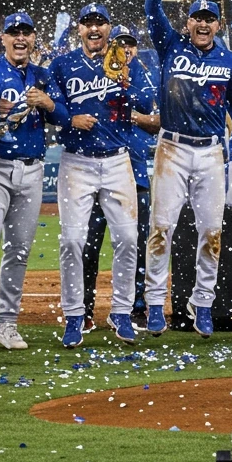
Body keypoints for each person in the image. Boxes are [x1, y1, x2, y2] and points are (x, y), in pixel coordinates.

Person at [143, 0, 232, 338]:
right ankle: (156, 303)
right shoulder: (170, 45)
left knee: (212, 233)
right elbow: (151, 8)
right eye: (197, 18)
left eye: (209, 18)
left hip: (210, 151)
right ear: (186, 23)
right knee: (162, 228)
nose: (203, 24)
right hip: (171, 148)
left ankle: (201, 303)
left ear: (219, 24)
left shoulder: (229, 60)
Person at [48, 4, 155, 348]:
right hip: (76, 162)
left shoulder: (125, 62)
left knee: (127, 240)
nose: (94, 29)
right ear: (78, 29)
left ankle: (121, 313)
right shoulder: (62, 65)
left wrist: (126, 83)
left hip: (117, 161)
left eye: (100, 23)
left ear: (108, 28)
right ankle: (75, 316)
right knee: (72, 242)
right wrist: (69, 119)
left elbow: (147, 103)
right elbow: (50, 104)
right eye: (88, 24)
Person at [0, 12, 62, 351]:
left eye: (26, 32)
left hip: (32, 168)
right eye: (14, 33)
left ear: (34, 38)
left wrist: (47, 103)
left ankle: (5, 324)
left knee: (19, 251)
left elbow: (62, 117)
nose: (20, 38)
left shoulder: (42, 75)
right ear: (3, 38)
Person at [82, 23, 160, 332]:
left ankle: (135, 308)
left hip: (135, 171)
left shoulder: (140, 76)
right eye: (119, 44)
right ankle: (85, 309)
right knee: (89, 244)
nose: (126, 49)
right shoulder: (92, 70)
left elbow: (147, 111)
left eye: (130, 44)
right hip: (97, 171)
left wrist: (123, 89)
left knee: (137, 244)